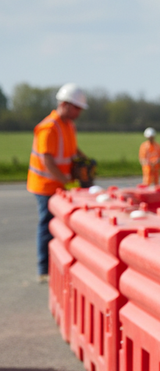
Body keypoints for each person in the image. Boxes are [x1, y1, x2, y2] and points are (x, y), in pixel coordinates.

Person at [27, 83, 88, 282]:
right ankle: (43, 269)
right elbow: (47, 160)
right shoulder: (49, 127)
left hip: (60, 185)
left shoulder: (68, 125)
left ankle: (56, 264)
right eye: (77, 107)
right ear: (65, 104)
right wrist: (67, 182)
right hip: (45, 185)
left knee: (59, 225)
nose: (79, 112)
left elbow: (72, 149)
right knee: (47, 225)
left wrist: (84, 159)